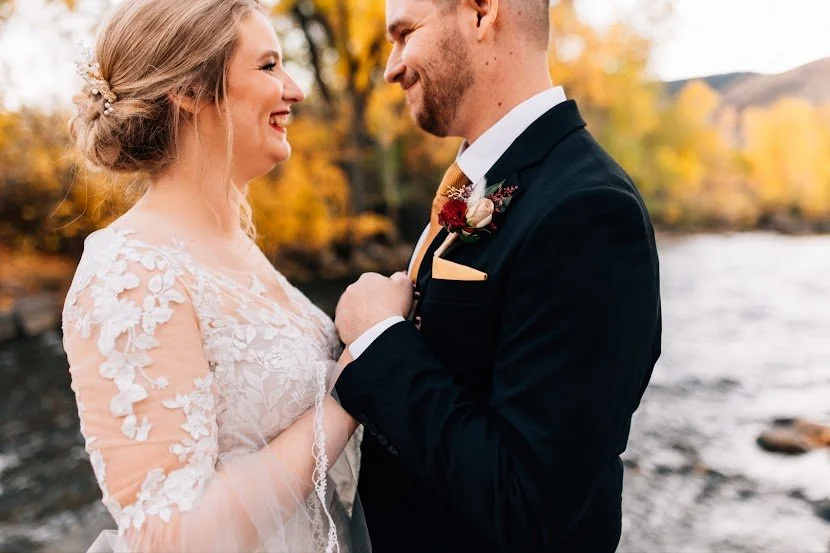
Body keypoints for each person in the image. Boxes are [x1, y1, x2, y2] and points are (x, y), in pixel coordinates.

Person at [333, 0, 663, 552]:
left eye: (405, 34)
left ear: (482, 14)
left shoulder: (590, 211)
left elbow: (528, 504)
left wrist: (379, 342)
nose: (390, 67)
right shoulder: (479, 181)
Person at [61, 1, 373, 551]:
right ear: (188, 90)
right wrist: (352, 392)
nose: (296, 90)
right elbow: (173, 537)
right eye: (268, 66)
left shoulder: (237, 246)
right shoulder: (130, 274)